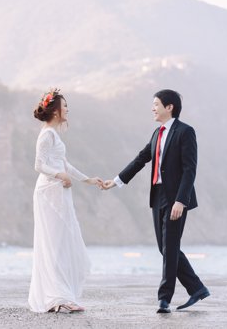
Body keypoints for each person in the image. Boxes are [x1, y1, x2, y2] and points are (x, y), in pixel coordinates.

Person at [100, 89, 208, 314]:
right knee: (165, 247)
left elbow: (190, 169)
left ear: (170, 107)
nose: (153, 108)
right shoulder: (156, 133)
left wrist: (181, 200)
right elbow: (141, 159)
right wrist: (117, 180)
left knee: (169, 247)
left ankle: (164, 299)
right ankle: (196, 288)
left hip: (176, 196)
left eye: (156, 104)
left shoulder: (185, 132)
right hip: (157, 195)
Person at [26, 88, 102, 313]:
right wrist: (60, 176)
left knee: (60, 242)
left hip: (59, 191)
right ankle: (56, 297)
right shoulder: (47, 133)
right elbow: (39, 165)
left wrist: (88, 179)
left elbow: (64, 164)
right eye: (65, 105)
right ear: (56, 111)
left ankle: (61, 295)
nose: (68, 109)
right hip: (49, 192)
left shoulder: (54, 134)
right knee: (54, 244)